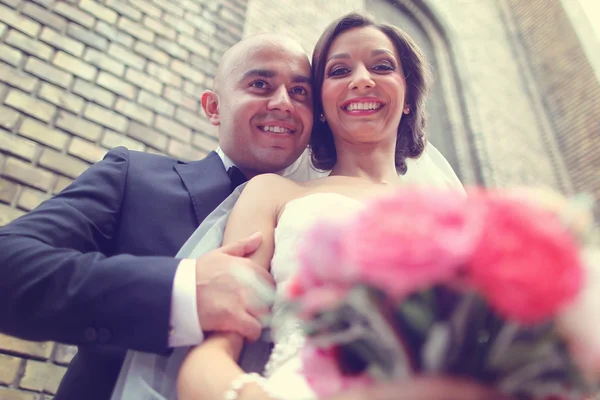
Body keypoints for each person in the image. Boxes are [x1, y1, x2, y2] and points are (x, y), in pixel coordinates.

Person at [174, 13, 499, 400]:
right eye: (339, 70)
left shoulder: (459, 223)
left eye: (381, 66)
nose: (362, 79)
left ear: (409, 97)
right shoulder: (275, 194)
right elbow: (212, 353)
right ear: (322, 103)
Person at [0, 33, 315, 400]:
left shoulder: (320, 226)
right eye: (260, 84)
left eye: (300, 92)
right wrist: (182, 292)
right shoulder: (132, 176)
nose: (283, 103)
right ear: (213, 107)